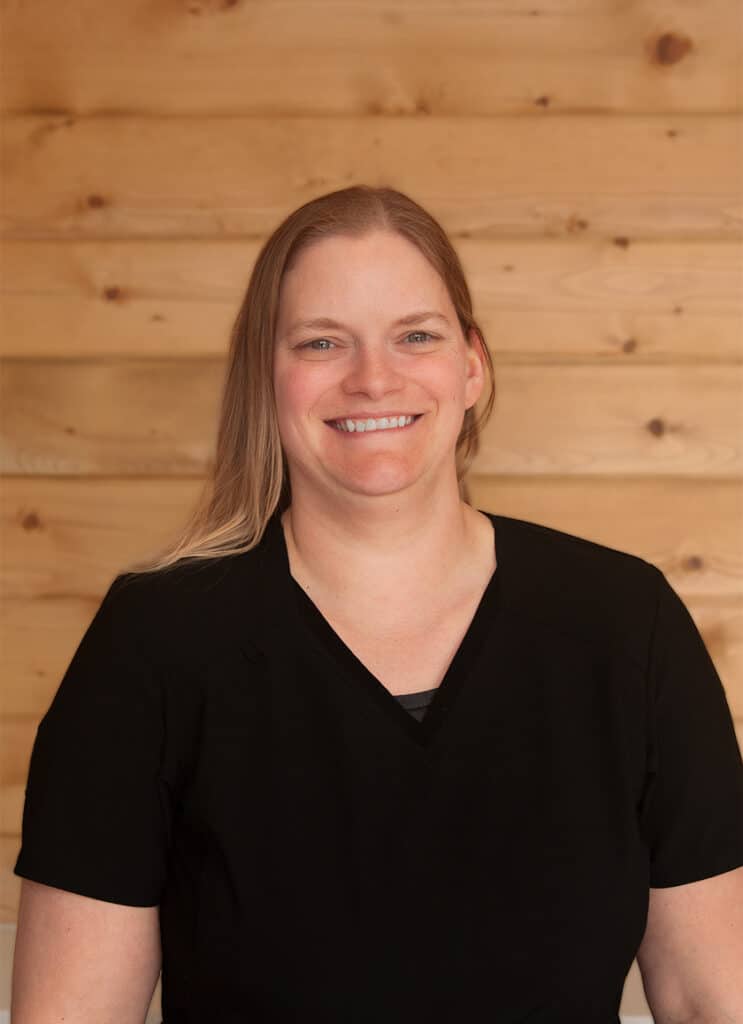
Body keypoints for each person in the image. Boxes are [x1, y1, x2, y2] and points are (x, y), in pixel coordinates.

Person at [11, 185, 743, 1023]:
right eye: (323, 342)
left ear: (471, 366)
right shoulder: (154, 643)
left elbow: (708, 998)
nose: (372, 379)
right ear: (264, 376)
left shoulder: (624, 624)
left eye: (415, 337)